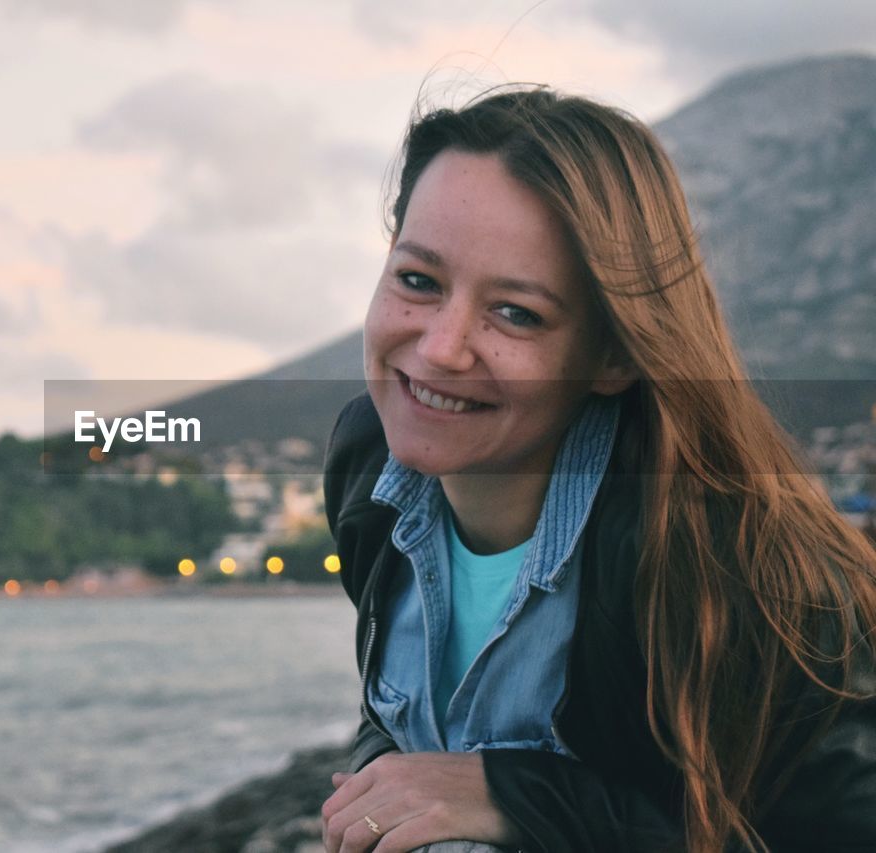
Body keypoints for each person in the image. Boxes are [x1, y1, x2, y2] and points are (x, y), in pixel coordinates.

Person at [319, 87, 876, 853]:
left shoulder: (737, 572)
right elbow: (395, 710)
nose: (443, 347)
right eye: (418, 280)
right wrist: (387, 781)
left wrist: (525, 796)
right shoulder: (367, 463)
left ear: (614, 353)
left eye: (516, 311)